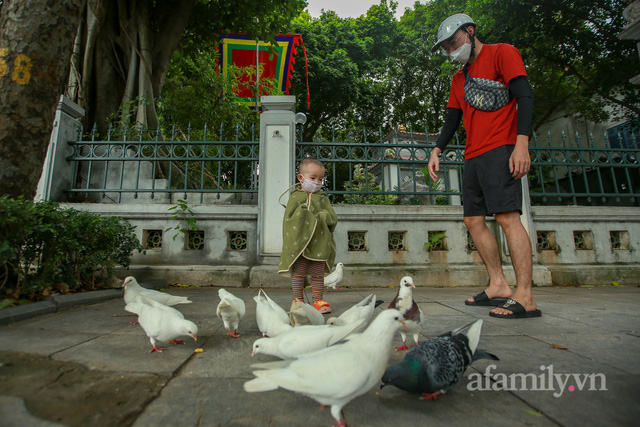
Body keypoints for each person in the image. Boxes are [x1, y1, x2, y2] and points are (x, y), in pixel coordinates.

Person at [428, 13, 541, 319]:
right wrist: (437, 148)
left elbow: (524, 96)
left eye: (455, 43)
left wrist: (522, 143)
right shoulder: (458, 79)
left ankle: (526, 296)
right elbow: (453, 118)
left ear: (470, 31)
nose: (452, 51)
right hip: (473, 154)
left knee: (507, 218)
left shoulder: (502, 52)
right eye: (447, 48)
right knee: (473, 220)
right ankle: (498, 284)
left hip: (501, 148)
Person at [278, 158, 337, 314]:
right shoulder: (295, 197)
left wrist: (322, 216)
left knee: (318, 274)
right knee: (299, 273)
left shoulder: (323, 198)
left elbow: (332, 219)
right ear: (300, 178)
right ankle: (298, 301)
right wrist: (302, 213)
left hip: (319, 243)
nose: (317, 182)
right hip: (300, 245)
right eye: (313, 178)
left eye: (320, 179)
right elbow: (289, 220)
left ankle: (318, 301)